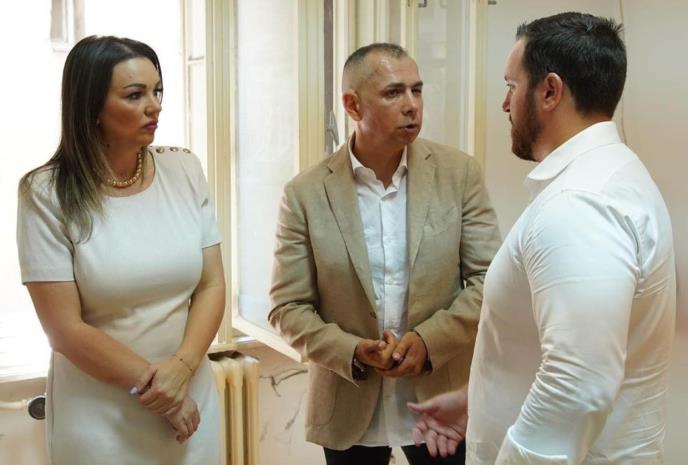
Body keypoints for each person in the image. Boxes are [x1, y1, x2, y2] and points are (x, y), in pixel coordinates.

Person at [408, 12, 676, 465]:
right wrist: (480, 399)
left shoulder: (580, 204)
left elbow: (576, 385)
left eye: (511, 86)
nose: (504, 104)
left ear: (550, 91)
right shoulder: (610, 176)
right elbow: (570, 347)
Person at [268, 43, 501, 465]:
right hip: (348, 398)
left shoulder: (458, 174)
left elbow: (490, 280)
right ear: (352, 105)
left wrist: (429, 341)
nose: (412, 105)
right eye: (394, 92)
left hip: (441, 396)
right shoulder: (305, 194)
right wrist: (352, 350)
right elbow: (287, 307)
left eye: (417, 90)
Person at [16, 36, 225, 465]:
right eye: (135, 95)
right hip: (101, 414)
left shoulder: (185, 169)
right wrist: (162, 393)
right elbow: (64, 329)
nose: (155, 106)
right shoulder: (46, 193)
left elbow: (211, 285)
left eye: (157, 91)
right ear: (92, 106)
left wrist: (182, 370)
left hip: (191, 395)